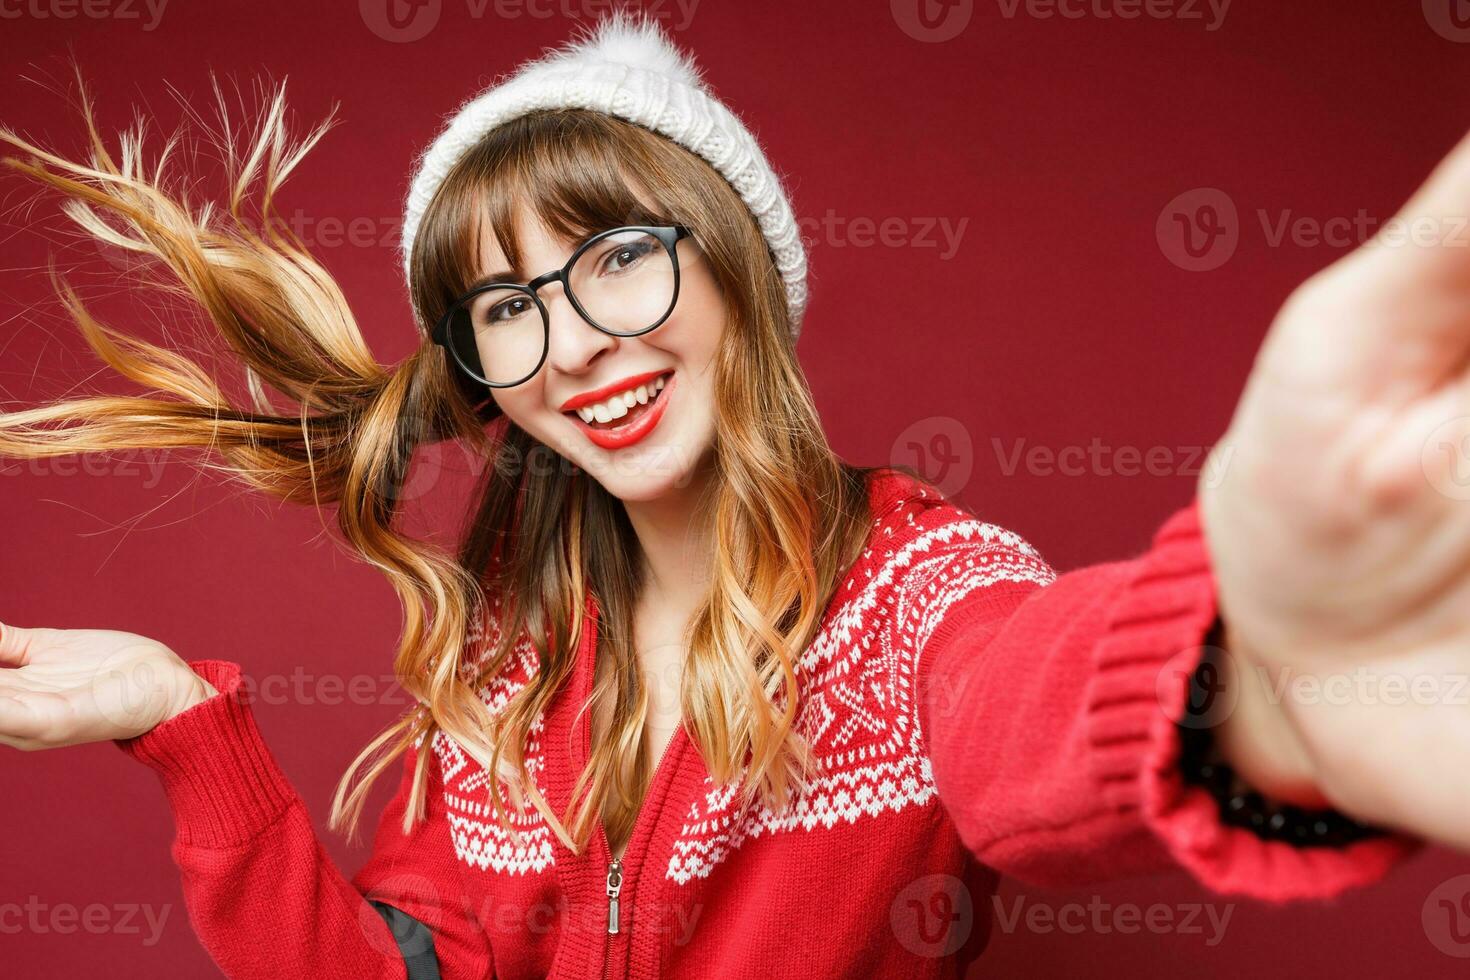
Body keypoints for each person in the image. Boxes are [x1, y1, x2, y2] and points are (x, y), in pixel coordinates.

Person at [1, 9, 1465, 979]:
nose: (573, 343)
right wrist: (185, 731)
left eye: (616, 257)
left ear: (732, 266)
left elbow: (1039, 701)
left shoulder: (917, 595)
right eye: (506, 305)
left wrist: (1271, 674)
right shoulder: (505, 668)